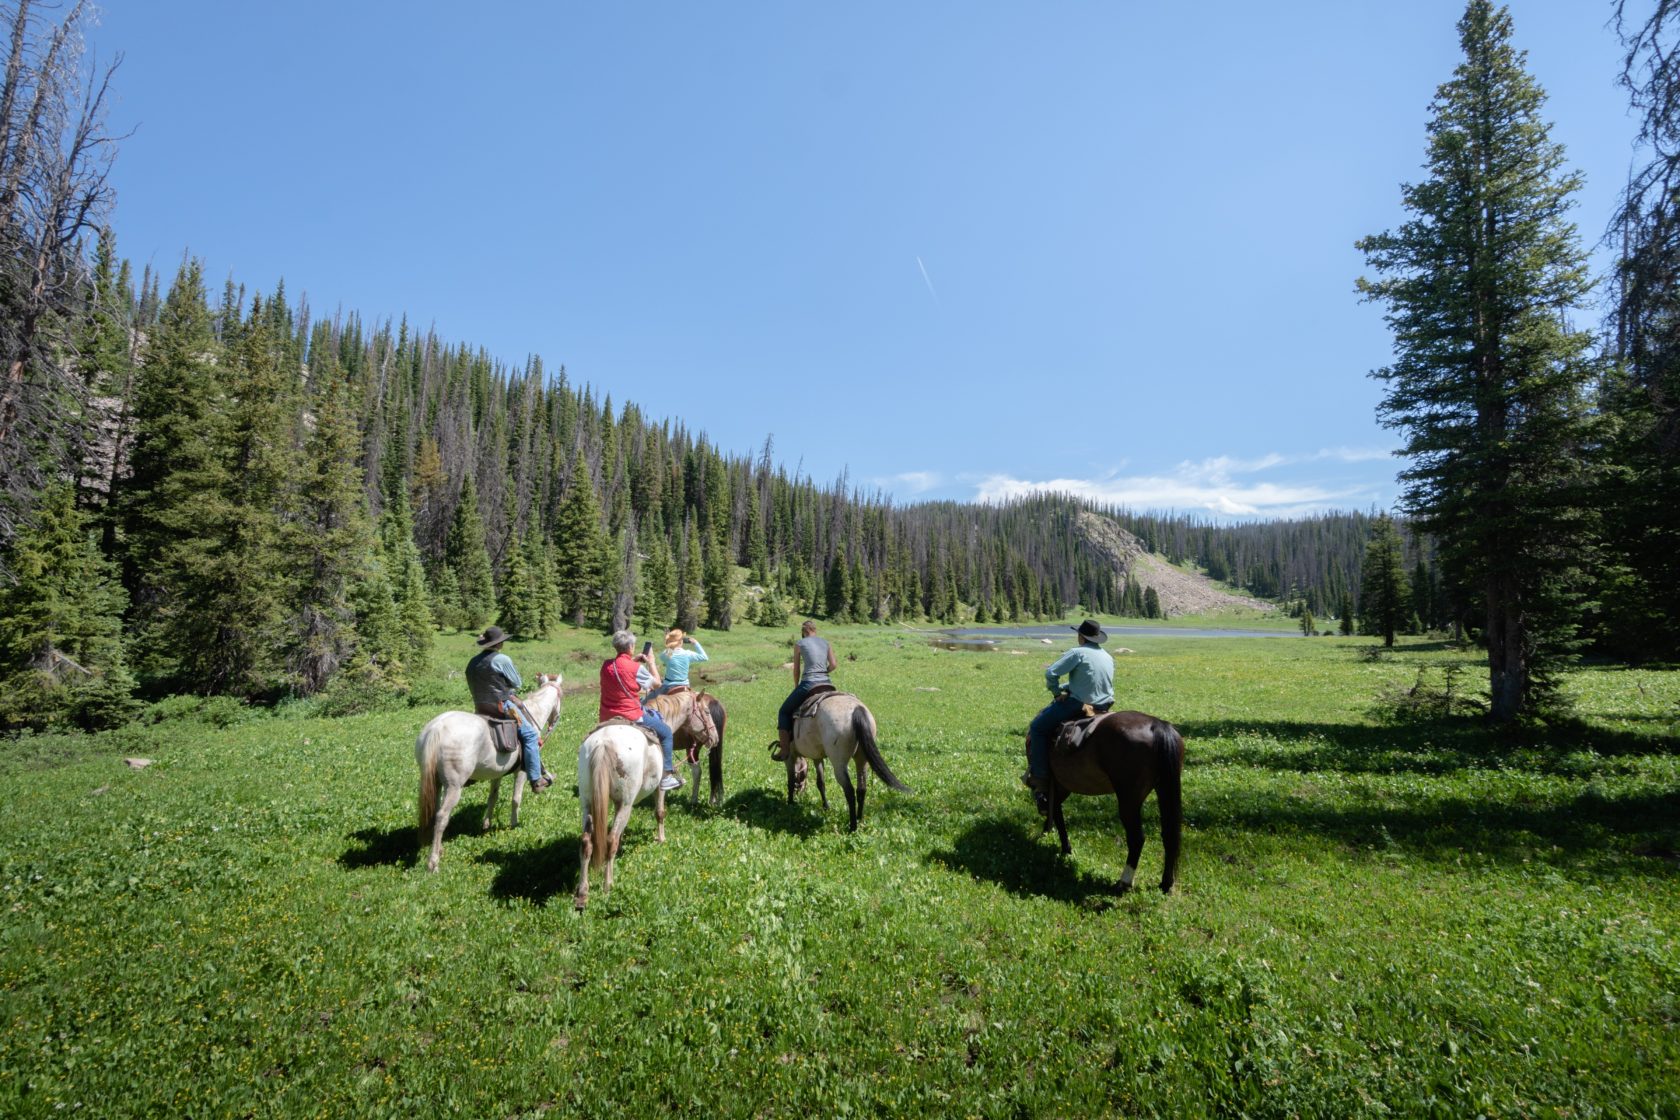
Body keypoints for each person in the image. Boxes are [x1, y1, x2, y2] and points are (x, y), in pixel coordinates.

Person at [1023, 618, 1115, 803]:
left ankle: (1040, 779)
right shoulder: (1107, 656)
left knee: (1038, 728)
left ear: (1081, 636)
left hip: (1079, 705)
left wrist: (1057, 693)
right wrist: (1068, 686)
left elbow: (1051, 673)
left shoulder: (1077, 653)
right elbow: (1091, 681)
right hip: (1104, 706)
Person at [466, 625, 551, 792]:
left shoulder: (473, 662)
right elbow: (517, 683)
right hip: (501, 706)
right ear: (499, 644)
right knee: (531, 735)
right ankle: (536, 778)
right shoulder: (502, 659)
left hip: (480, 706)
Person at [599, 629, 682, 791]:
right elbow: (658, 684)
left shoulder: (606, 665)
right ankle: (666, 777)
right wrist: (650, 662)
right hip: (630, 715)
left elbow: (620, 671)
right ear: (630, 646)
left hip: (607, 716)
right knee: (665, 732)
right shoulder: (635, 669)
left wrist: (632, 661)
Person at [775, 619, 836, 758]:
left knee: (783, 711)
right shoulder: (826, 643)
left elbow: (796, 670)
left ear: (804, 631)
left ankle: (784, 750)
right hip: (827, 684)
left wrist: (796, 686)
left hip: (809, 683)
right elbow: (833, 665)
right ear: (814, 630)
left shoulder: (799, 644)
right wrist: (824, 672)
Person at [648, 628, 708, 698]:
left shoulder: (668, 653)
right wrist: (696, 643)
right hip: (685, 686)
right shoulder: (688, 654)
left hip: (667, 686)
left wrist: (669, 642)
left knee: (647, 701)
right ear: (681, 641)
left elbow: (663, 657)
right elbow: (704, 657)